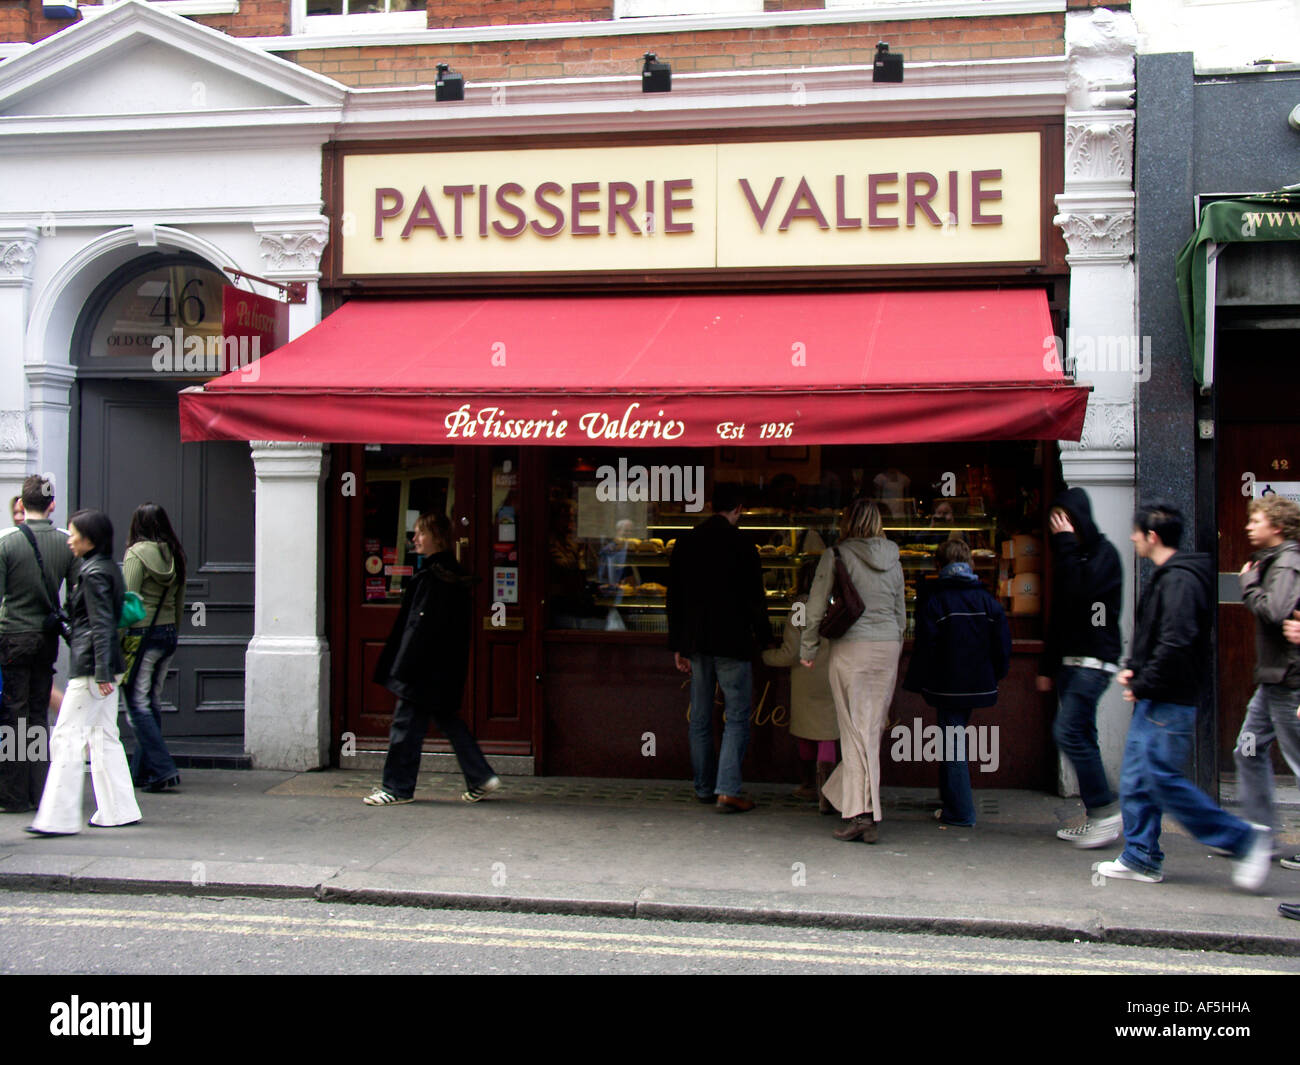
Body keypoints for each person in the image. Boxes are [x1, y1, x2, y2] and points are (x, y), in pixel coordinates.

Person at [1096, 502, 1271, 890]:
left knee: (1162, 781)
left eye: (1136, 532)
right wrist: (1137, 670)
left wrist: (1143, 681)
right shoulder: (1171, 577)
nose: (1132, 538)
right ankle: (1140, 856)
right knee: (1137, 778)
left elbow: (1176, 643)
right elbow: (1159, 638)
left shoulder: (1179, 581)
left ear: (1152, 536)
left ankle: (1244, 839)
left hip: (1168, 700)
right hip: (1157, 696)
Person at [364, 511, 500, 806]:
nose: (415, 538)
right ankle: (480, 777)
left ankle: (397, 788)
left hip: (421, 667)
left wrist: (403, 667)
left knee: (405, 726)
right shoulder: (453, 576)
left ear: (437, 537)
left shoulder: (432, 578)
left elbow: (418, 627)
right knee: (448, 720)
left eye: (421, 532)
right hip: (444, 667)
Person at [27, 509, 141, 836]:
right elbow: (100, 623)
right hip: (103, 666)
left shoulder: (92, 574)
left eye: (74, 533)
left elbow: (101, 625)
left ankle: (57, 817)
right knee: (103, 736)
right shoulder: (106, 568)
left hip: (92, 668)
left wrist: (101, 671)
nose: (69, 539)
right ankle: (119, 810)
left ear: (89, 539)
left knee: (67, 737)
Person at [799, 497, 905, 843]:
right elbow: (901, 612)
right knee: (869, 731)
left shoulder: (836, 555)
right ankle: (844, 797)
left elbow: (816, 606)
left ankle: (863, 817)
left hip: (852, 648)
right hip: (887, 647)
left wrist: (808, 647)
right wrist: (894, 643)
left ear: (847, 522)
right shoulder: (894, 557)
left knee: (856, 732)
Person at [667, 482, 769, 813]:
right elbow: (756, 600)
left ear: (712, 506)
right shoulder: (743, 544)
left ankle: (703, 787)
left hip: (697, 642)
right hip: (732, 641)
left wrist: (679, 644)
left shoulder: (687, 541)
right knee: (736, 716)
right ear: (738, 509)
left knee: (699, 716)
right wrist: (765, 639)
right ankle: (727, 790)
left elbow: (675, 597)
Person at [1036, 487, 1124, 848]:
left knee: (1068, 731)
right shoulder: (1069, 555)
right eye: (1054, 521)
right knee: (1083, 735)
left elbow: (1081, 593)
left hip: (1094, 663)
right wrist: (1047, 667)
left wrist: (1066, 545)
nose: (1058, 528)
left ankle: (1105, 810)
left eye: (1065, 520)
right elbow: (1060, 615)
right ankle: (1097, 816)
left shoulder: (1104, 554)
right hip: (1071, 665)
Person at [902, 539, 1011, 827]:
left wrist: (918, 682)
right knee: (953, 740)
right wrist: (995, 675)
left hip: (947, 685)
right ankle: (951, 801)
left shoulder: (936, 602)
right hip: (978, 683)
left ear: (939, 565)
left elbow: (926, 648)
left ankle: (960, 812)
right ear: (970, 564)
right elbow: (1002, 647)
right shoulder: (988, 601)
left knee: (952, 745)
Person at [0, 475, 78, 814]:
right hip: (46, 638)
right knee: (36, 714)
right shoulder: (66, 544)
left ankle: (13, 794)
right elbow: (76, 595)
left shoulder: (7, 543)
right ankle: (39, 789)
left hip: (13, 636)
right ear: (52, 505)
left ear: (22, 503)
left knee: (13, 715)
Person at [1232, 496, 1300, 857]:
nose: (1248, 526)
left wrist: (1248, 584)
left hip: (1288, 680)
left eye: (1256, 520)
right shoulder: (1275, 560)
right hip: (1273, 681)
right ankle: (1261, 835)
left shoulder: (1287, 562)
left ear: (1277, 526)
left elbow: (1275, 610)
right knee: (1248, 749)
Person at [762, 561, 838, 812]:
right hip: (833, 675)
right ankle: (828, 792)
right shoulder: (837, 605)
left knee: (806, 732)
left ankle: (809, 785)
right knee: (828, 733)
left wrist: (765, 656)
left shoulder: (799, 607)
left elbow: (792, 652)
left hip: (806, 677)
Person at [121, 503, 186, 792]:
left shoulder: (135, 554)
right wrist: (174, 632)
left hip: (142, 634)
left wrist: (118, 639)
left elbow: (129, 603)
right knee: (151, 700)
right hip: (167, 632)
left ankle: (162, 768)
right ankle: (142, 770)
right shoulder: (175, 554)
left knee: (136, 704)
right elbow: (180, 601)